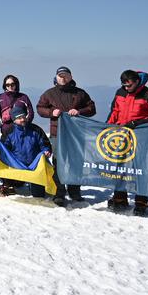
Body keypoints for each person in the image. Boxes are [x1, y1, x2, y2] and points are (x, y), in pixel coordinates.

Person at [36, 66, 96, 205]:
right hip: (57, 134)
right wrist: (52, 113)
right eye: (60, 76)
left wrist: (79, 111)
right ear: (56, 77)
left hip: (76, 134)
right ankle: (59, 192)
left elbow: (92, 108)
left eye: (65, 75)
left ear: (71, 77)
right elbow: (40, 108)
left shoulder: (80, 93)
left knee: (76, 163)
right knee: (58, 163)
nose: (63, 78)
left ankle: (75, 191)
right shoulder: (49, 93)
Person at [106, 70, 148, 214]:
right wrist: (107, 127)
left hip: (141, 137)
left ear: (137, 82)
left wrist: (137, 123)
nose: (126, 88)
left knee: (140, 169)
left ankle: (141, 202)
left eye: (129, 85)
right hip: (122, 136)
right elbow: (114, 111)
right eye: (124, 85)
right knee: (119, 167)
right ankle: (119, 198)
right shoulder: (120, 92)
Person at [0, 103, 52, 200]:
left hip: (34, 166)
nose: (22, 119)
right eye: (19, 118)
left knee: (38, 195)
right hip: (16, 166)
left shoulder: (35, 129)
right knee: (6, 167)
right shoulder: (9, 131)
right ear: (14, 120)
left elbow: (45, 143)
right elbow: (4, 149)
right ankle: (9, 185)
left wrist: (46, 150)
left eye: (23, 116)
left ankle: (35, 185)